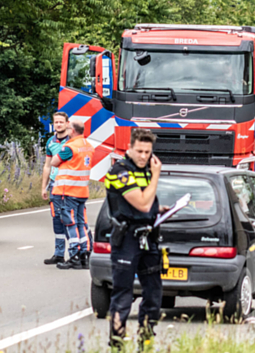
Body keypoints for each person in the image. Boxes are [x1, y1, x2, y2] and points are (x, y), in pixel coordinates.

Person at [104, 128, 163, 349]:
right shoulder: (120, 171)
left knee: (154, 292)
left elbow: (148, 205)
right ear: (129, 148)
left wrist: (161, 210)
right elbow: (142, 202)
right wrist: (156, 175)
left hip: (148, 236)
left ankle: (146, 340)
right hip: (127, 238)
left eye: (147, 151)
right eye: (139, 150)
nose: (143, 156)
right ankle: (117, 344)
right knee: (123, 294)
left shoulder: (147, 168)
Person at [51, 120, 94, 270]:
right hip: (82, 191)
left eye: (68, 128)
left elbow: (54, 162)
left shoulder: (70, 147)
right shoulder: (88, 145)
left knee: (71, 224)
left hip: (69, 191)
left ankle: (74, 255)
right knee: (82, 224)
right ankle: (85, 255)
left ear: (73, 131)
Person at [41, 112, 71, 265]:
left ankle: (75, 253)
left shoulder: (72, 142)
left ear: (67, 123)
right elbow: (47, 166)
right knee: (57, 218)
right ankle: (59, 253)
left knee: (71, 219)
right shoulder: (50, 142)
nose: (58, 124)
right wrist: (43, 187)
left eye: (61, 122)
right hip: (54, 184)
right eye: (56, 122)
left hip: (70, 184)